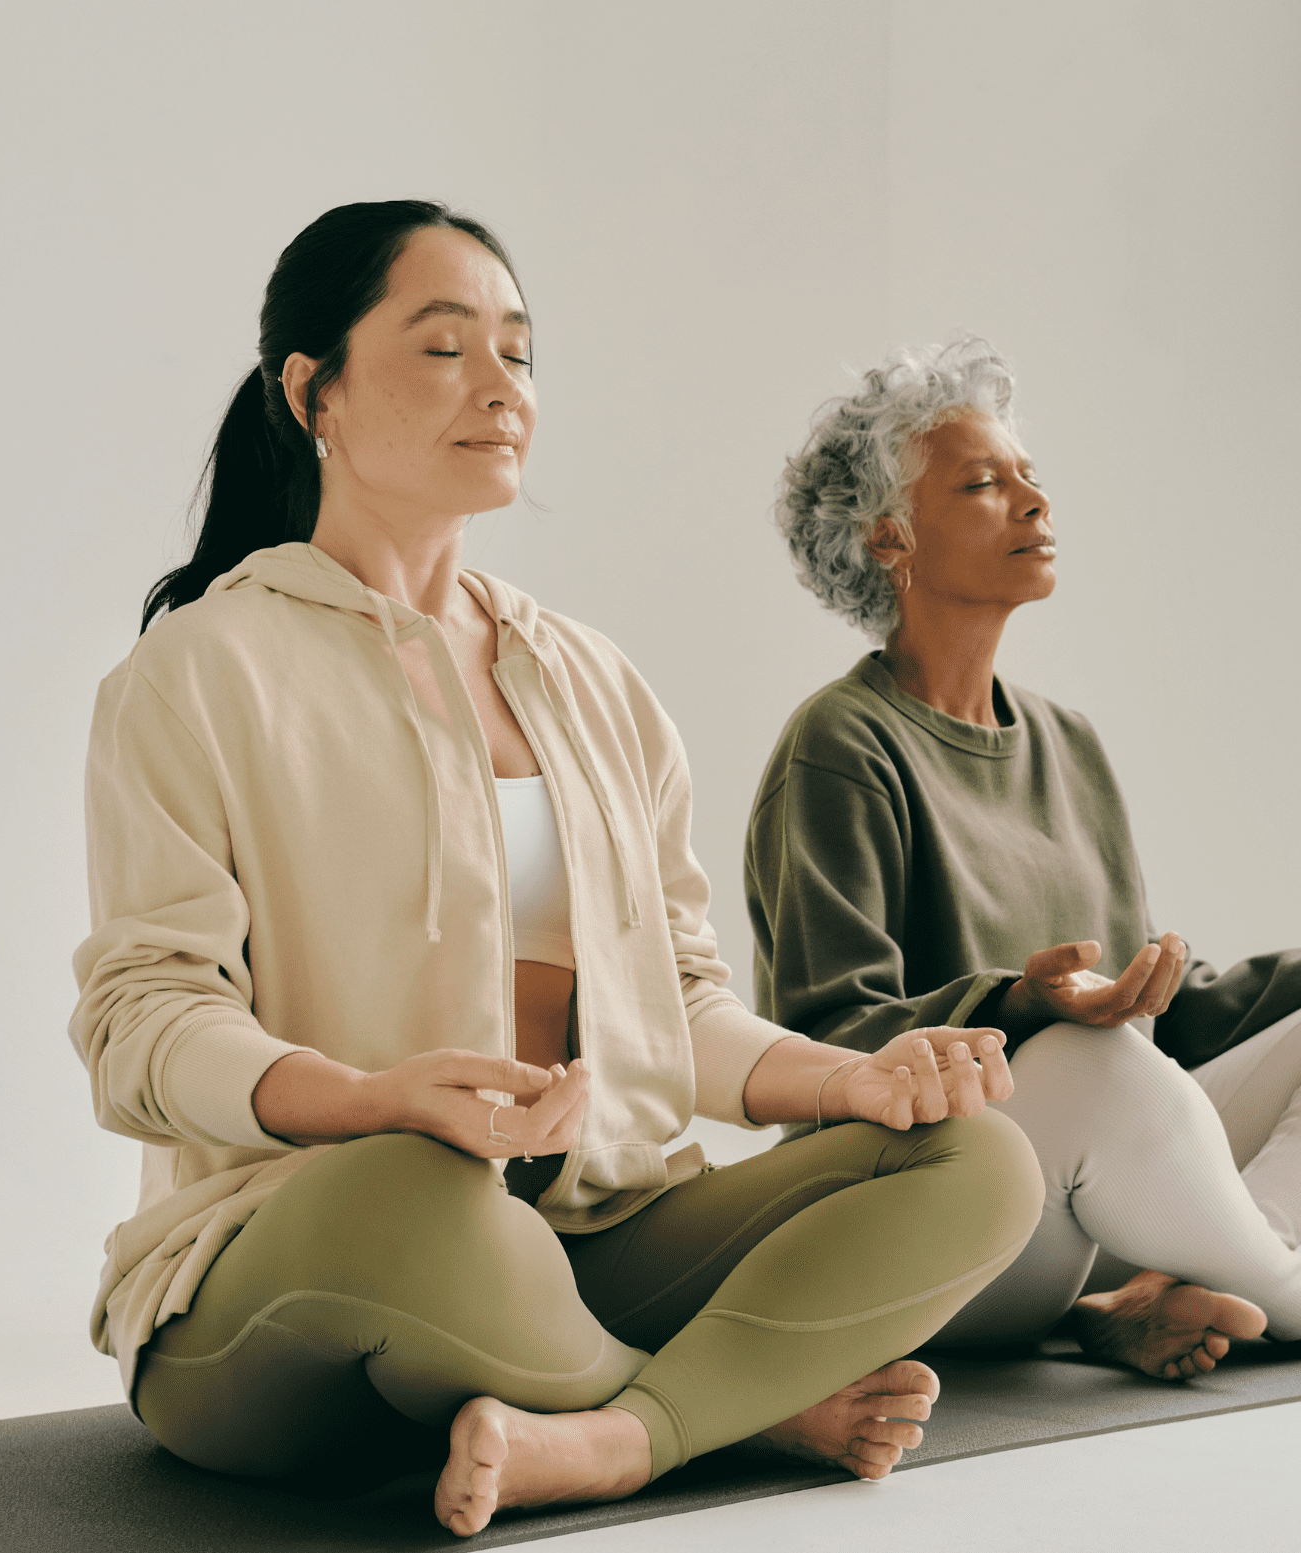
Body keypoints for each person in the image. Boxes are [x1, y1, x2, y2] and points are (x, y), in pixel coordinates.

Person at [67, 205, 1046, 1538]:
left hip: (587, 1240)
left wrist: (854, 1080)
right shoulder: (195, 675)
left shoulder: (591, 680)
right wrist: (369, 1099)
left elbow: (682, 1005)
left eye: (519, 354)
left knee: (973, 1157)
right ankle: (728, 1411)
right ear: (315, 393)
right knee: (428, 1193)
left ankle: (605, 1437)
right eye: (442, 346)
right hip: (297, 1276)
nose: (498, 387)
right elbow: (144, 1025)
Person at [747, 336, 1301, 1381]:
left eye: (1028, 477)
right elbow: (824, 1037)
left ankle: (1193, 1281)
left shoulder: (1069, 741)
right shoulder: (838, 745)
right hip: (944, 1210)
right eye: (981, 483)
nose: (1033, 504)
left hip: (1114, 1178)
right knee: (1093, 1059)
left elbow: (1165, 1008)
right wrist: (1021, 1005)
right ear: (889, 541)